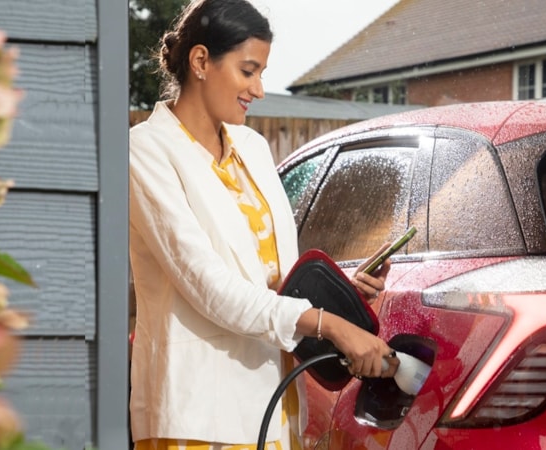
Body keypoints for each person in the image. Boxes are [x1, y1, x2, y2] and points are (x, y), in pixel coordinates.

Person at [128, 1, 399, 448]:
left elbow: (264, 279)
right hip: (198, 417)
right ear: (200, 61)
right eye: (248, 71)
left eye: (262, 73)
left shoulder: (252, 147)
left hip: (274, 407)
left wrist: (342, 294)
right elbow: (207, 285)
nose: (258, 88)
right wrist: (329, 324)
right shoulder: (146, 152)